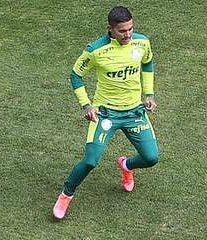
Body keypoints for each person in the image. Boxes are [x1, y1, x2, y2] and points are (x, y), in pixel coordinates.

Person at [53, 5, 159, 219]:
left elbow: (148, 64)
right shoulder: (95, 50)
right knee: (90, 161)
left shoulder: (142, 42)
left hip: (134, 113)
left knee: (151, 158)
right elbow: (75, 75)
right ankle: (66, 195)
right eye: (122, 31)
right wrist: (86, 105)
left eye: (130, 29)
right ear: (110, 29)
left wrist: (149, 94)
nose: (128, 35)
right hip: (105, 114)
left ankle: (126, 165)